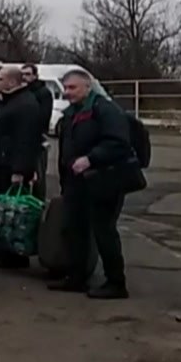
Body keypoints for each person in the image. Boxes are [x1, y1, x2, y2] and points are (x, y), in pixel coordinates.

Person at [49, 70, 134, 299]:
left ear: (87, 87)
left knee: (103, 231)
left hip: (104, 180)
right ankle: (76, 277)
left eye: (72, 88)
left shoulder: (106, 111)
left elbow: (118, 143)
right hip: (76, 183)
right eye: (65, 88)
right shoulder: (71, 114)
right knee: (73, 228)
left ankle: (116, 282)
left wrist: (91, 158)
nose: (67, 93)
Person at [0, 66, 44, 268]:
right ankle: (3, 250)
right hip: (4, 162)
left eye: (0, 78)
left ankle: (14, 253)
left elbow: (26, 140)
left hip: (12, 166)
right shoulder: (13, 101)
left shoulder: (25, 105)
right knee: (4, 210)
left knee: (13, 211)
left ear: (12, 82)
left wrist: (20, 170)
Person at [22, 64, 54, 198]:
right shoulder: (22, 91)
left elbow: (44, 115)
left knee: (38, 174)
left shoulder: (42, 92)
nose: (24, 77)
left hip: (37, 137)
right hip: (23, 137)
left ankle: (38, 201)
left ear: (35, 76)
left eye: (28, 74)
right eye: (22, 74)